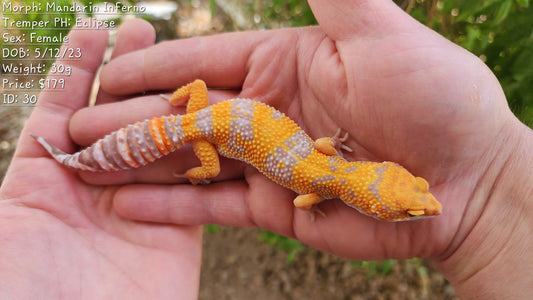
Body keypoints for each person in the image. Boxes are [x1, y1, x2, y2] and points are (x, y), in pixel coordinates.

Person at [1, 0, 531, 298]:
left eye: (411, 198)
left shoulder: (332, 163)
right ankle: (87, 159)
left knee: (173, 132)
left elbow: (322, 151)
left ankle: (87, 154)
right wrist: (203, 173)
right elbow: (303, 199)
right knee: (202, 167)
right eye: (414, 203)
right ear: (369, 196)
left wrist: (179, 104)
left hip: (209, 112)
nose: (427, 202)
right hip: (209, 132)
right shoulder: (319, 184)